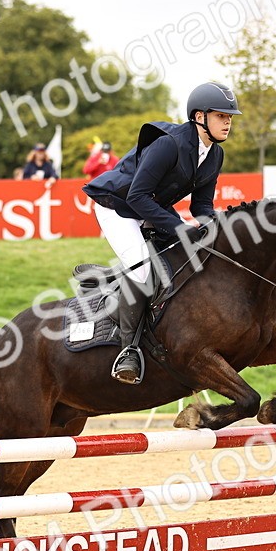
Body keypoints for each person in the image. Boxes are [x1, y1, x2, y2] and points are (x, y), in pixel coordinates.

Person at [82, 81, 241, 384]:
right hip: (117, 206)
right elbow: (136, 197)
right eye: (221, 116)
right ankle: (128, 350)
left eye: (230, 117)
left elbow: (202, 205)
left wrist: (218, 229)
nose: (228, 122)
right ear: (199, 117)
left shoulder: (215, 154)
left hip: (149, 205)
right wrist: (181, 228)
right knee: (143, 272)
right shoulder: (169, 143)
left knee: (188, 258)